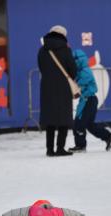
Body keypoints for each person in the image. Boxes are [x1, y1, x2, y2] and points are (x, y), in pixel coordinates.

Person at [38, 25, 77, 157]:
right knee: (63, 118)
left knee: (50, 119)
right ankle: (60, 148)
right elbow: (73, 69)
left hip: (47, 87)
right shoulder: (66, 49)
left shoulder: (42, 50)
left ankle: (49, 150)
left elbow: (41, 67)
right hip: (63, 88)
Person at [68, 49, 111, 153]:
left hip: (88, 100)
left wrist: (73, 82)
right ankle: (108, 136)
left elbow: (83, 81)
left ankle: (80, 145)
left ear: (78, 60)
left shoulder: (85, 71)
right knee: (89, 125)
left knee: (79, 124)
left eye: (73, 61)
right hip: (87, 100)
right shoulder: (80, 71)